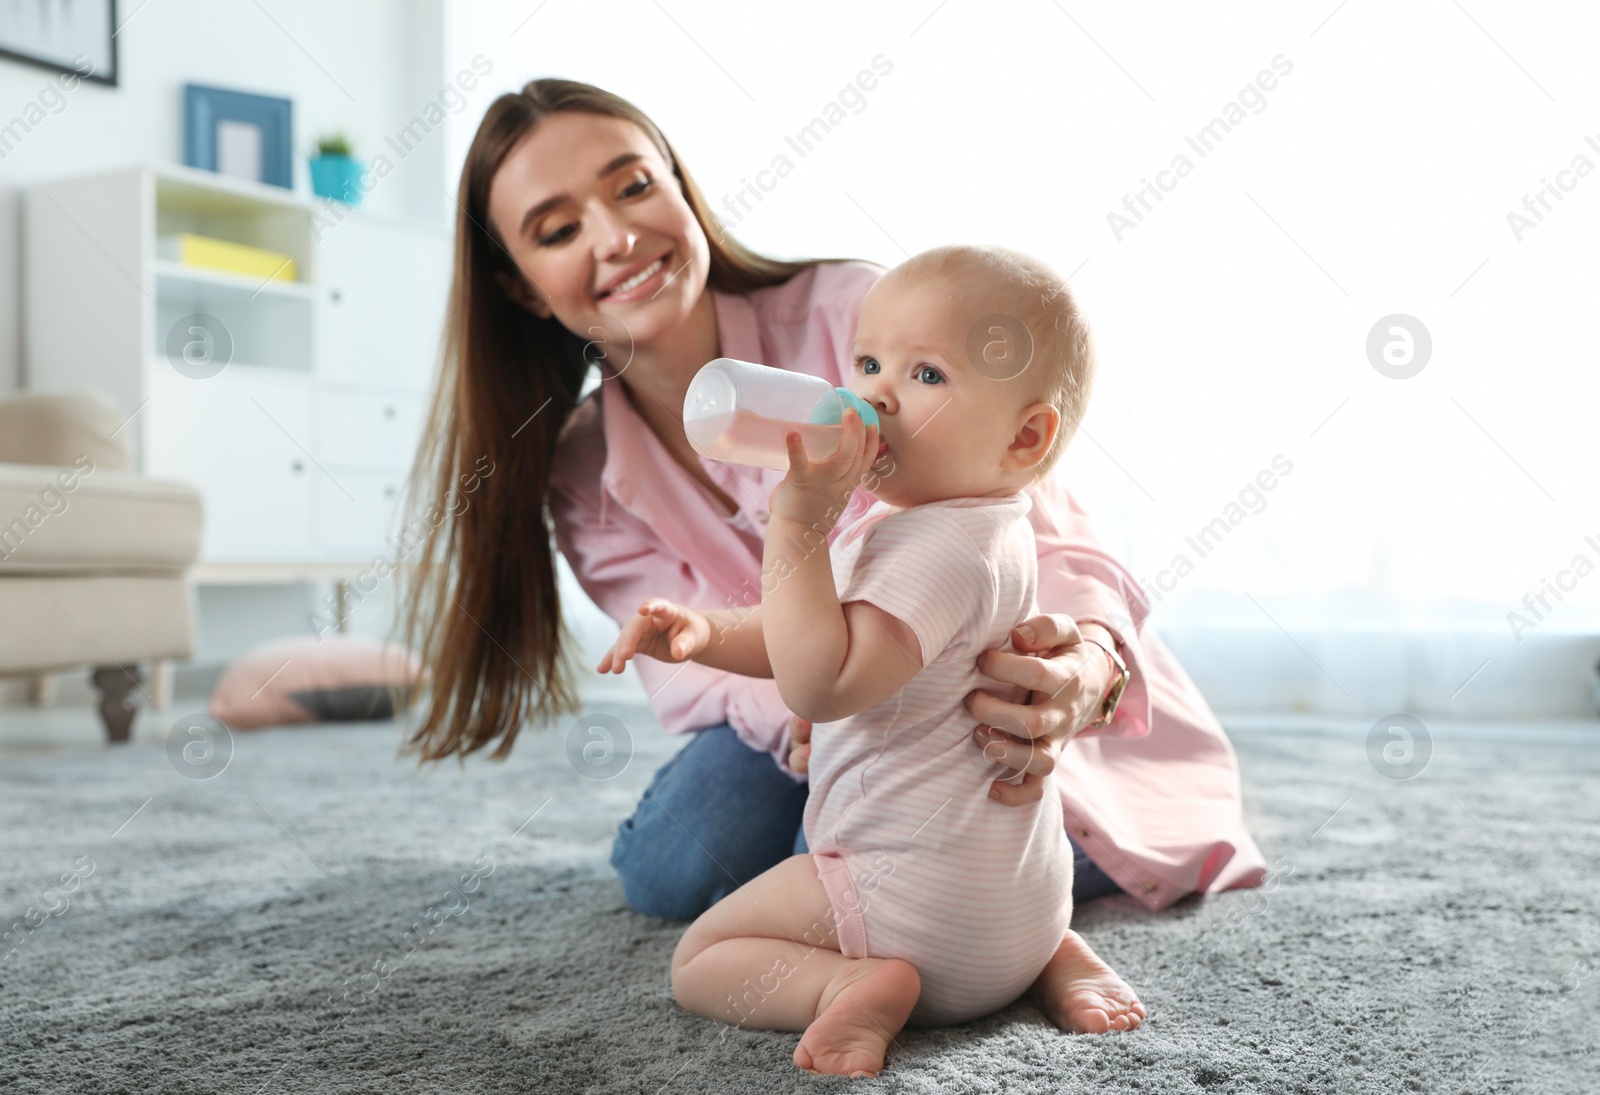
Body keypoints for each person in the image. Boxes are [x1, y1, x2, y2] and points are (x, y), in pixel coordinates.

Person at [398, 78, 1267, 1040]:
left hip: (985, 688)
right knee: (675, 864)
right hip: (818, 696)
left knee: (915, 836)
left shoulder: (869, 319)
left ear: (682, 189)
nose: (615, 237)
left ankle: (1016, 923)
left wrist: (1085, 669)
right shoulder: (581, 467)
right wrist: (816, 698)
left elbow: (1043, 526)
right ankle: (973, 910)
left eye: (634, 185)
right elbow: (710, 679)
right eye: (558, 229)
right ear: (520, 284)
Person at [600, 244, 1107, 1076]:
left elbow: (821, 681)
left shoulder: (937, 552)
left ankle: (847, 984)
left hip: (907, 906)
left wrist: (795, 526)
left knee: (699, 957)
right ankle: (1049, 955)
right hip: (1017, 908)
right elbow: (804, 636)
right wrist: (705, 631)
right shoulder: (971, 528)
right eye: (868, 362)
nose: (872, 395)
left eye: (926, 375)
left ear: (1025, 436)